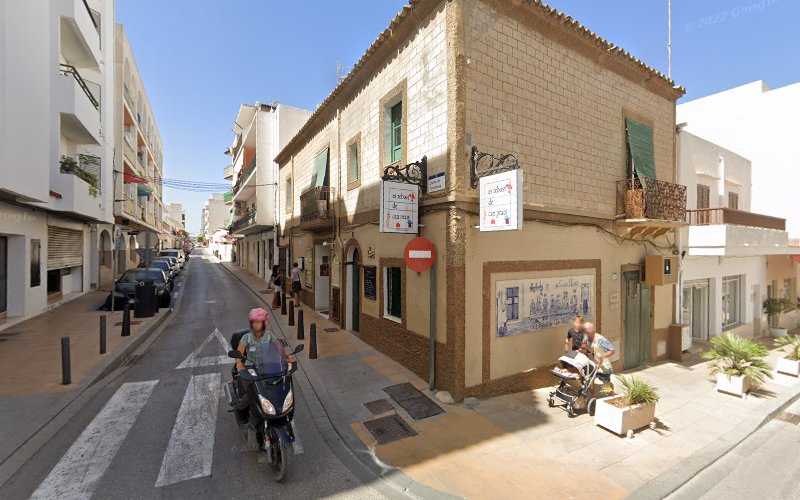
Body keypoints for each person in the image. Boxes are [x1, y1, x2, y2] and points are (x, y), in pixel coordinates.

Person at [235, 308, 294, 422]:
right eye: (254, 322)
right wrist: (239, 363)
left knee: (276, 387)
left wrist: (287, 357)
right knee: (250, 394)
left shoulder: (269, 335)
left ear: (263, 323)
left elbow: (279, 348)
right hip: (251, 368)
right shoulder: (246, 337)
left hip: (268, 366)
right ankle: (241, 413)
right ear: (251, 323)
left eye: (259, 322)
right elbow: (239, 353)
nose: (257, 325)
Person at [582, 322, 615, 389]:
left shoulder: (600, 339)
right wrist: (585, 349)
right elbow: (591, 351)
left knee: (606, 387)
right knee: (589, 382)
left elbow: (612, 350)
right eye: (585, 332)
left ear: (593, 331)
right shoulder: (586, 338)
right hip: (593, 365)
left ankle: (610, 393)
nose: (586, 334)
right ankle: (591, 396)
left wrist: (602, 356)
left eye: (588, 332)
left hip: (603, 366)